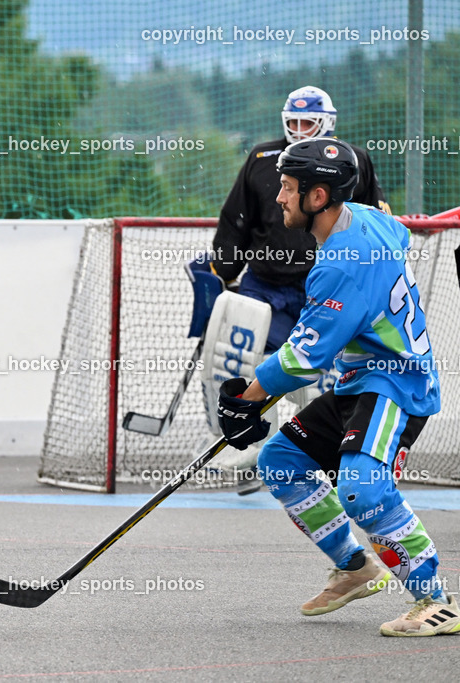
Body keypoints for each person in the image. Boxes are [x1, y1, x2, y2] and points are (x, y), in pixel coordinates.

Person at [216, 137, 459, 637]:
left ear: (318, 197)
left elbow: (304, 359)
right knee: (280, 463)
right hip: (358, 382)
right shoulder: (370, 219)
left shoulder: (341, 262)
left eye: (286, 188)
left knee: (362, 489)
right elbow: (397, 231)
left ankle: (436, 601)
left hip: (395, 384)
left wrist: (246, 399)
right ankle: (355, 567)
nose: (278, 198)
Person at [193, 86, 390, 494]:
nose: (299, 130)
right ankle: (244, 449)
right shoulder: (263, 158)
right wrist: (224, 271)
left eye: (309, 123)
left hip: (320, 284)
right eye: (294, 122)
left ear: (327, 124)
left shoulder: (352, 162)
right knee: (239, 361)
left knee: (312, 373)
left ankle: (316, 451)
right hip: (263, 284)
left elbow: (375, 219)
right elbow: (236, 221)